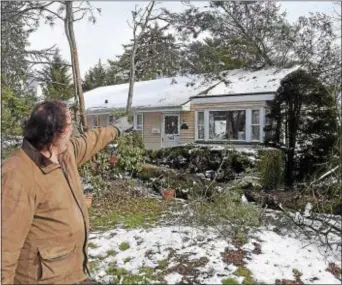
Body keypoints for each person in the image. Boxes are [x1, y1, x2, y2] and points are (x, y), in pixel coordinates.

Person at [1, 100, 121, 284]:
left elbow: (89, 141)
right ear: (57, 133)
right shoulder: (17, 173)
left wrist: (116, 129)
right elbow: (5, 245)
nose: (72, 130)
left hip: (72, 273)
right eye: (70, 125)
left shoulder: (64, 154)